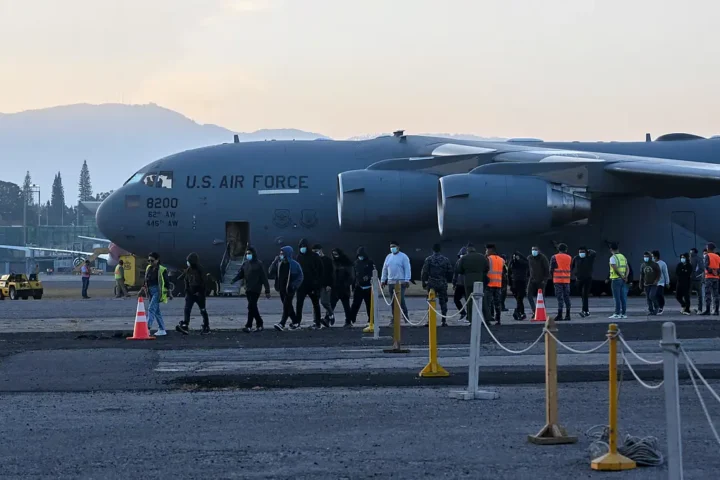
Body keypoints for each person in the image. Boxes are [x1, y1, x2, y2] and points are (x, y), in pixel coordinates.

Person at [231, 246, 271, 332]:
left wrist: (267, 290)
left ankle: (249, 325)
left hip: (256, 289)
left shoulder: (259, 264)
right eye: (246, 254)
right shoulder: (245, 264)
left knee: (251, 306)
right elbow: (241, 274)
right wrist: (234, 280)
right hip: (248, 288)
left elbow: (264, 278)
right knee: (252, 307)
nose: (247, 255)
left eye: (249, 253)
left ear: (253, 254)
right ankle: (259, 323)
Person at [176, 252, 211, 335]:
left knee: (202, 310)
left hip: (199, 293)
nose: (187, 263)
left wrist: (200, 292)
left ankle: (206, 326)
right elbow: (182, 278)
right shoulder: (188, 270)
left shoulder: (200, 270)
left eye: (188, 261)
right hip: (190, 293)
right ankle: (185, 324)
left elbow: (204, 282)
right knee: (187, 309)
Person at [271, 246, 304, 331]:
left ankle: (282, 323)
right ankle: (296, 322)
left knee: (286, 305)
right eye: (280, 253)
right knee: (289, 306)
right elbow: (270, 271)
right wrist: (274, 262)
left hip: (290, 289)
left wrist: (294, 285)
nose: (281, 255)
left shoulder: (294, 264)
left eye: (282, 253)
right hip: (281, 288)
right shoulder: (279, 263)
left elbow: (300, 276)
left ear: (287, 254)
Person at [421, 243, 454, 327]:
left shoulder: (429, 259)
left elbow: (424, 272)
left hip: (432, 282)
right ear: (440, 250)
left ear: (433, 250)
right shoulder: (445, 259)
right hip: (442, 282)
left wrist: (423, 282)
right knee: (443, 302)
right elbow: (450, 271)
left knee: (430, 301)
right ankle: (444, 321)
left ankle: (430, 320)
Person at [295, 239, 325, 328]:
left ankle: (318, 322)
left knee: (316, 304)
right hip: (301, 285)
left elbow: (321, 270)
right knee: (299, 304)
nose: (302, 248)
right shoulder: (298, 257)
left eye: (304, 246)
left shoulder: (315, 256)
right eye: (301, 247)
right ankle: (297, 322)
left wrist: (317, 283)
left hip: (313, 285)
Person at [456, 242, 489, 324]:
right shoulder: (482, 257)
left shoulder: (464, 258)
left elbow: (459, 270)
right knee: (483, 300)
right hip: (480, 281)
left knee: (470, 301)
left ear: (468, 249)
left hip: (468, 282)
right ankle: (487, 319)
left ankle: (471, 320)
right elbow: (487, 268)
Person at [381, 240, 411, 323]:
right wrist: (383, 280)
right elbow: (385, 269)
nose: (392, 248)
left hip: (400, 282)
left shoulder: (403, 257)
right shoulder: (388, 257)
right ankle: (394, 318)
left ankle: (406, 318)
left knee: (401, 301)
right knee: (392, 302)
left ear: (398, 247)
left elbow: (407, 269)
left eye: (394, 246)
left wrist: (407, 279)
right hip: (391, 282)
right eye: (391, 247)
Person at [144, 252, 170, 336]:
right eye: (149, 261)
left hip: (157, 291)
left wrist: (169, 292)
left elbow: (166, 282)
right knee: (157, 311)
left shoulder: (162, 269)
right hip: (150, 291)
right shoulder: (149, 268)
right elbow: (146, 279)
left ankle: (147, 327)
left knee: (151, 308)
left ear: (157, 260)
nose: (150, 262)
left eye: (152, 260)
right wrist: (143, 289)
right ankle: (162, 329)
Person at [349, 246, 375, 324]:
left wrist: (369, 276)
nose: (360, 257)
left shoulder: (370, 262)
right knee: (355, 304)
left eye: (362, 255)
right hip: (358, 286)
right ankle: (352, 319)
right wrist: (353, 286)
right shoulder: (356, 262)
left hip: (368, 287)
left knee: (369, 305)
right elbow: (354, 275)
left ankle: (371, 320)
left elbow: (373, 272)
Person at [330, 248, 355, 327]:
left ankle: (348, 321)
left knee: (346, 306)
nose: (335, 255)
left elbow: (351, 276)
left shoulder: (346, 263)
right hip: (335, 288)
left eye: (336, 253)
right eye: (333, 254)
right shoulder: (333, 263)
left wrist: (346, 284)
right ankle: (328, 319)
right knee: (331, 305)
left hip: (344, 288)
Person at [313, 244, 335, 325]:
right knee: (315, 303)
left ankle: (331, 314)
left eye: (316, 251)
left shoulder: (327, 260)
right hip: (316, 285)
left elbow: (331, 274)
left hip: (325, 284)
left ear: (320, 250)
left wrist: (329, 284)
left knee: (324, 302)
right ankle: (316, 321)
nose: (315, 253)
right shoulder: (314, 260)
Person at [571, 246, 596, 317]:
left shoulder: (589, 258)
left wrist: (588, 250)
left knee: (585, 295)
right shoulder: (576, 258)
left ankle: (585, 310)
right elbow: (572, 267)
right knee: (581, 294)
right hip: (579, 279)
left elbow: (594, 253)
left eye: (583, 252)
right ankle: (585, 310)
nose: (581, 253)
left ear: (586, 252)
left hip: (588, 279)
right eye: (580, 252)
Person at [550, 243, 572, 321]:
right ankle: (568, 315)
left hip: (557, 280)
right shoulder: (569, 257)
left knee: (560, 298)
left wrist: (552, 276)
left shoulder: (554, 257)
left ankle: (560, 315)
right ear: (566, 250)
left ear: (558, 249)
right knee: (567, 297)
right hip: (566, 280)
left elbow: (551, 268)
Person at [485, 244, 505, 325]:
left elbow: (485, 269)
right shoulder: (501, 260)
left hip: (489, 284)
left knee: (488, 303)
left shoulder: (488, 259)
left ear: (491, 250)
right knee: (497, 303)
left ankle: (488, 319)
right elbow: (504, 272)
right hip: (498, 284)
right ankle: (498, 319)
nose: (486, 251)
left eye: (486, 250)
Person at [527, 246, 550, 316]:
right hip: (532, 279)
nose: (534, 251)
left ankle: (542, 311)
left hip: (541, 280)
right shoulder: (529, 258)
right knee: (528, 294)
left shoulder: (543, 258)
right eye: (532, 250)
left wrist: (545, 280)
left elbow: (547, 269)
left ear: (538, 250)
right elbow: (528, 268)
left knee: (541, 296)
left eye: (535, 250)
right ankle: (534, 310)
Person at [608, 243, 629, 319]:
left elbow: (615, 268)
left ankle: (617, 313)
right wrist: (625, 276)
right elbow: (627, 268)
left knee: (616, 297)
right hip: (623, 280)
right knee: (623, 297)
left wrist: (622, 276)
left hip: (616, 279)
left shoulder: (613, 258)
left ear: (611, 249)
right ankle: (623, 313)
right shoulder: (623, 257)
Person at [700, 243, 720, 316]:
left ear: (708, 248)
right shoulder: (718, 256)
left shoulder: (707, 256)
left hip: (708, 277)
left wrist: (711, 271)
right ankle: (717, 310)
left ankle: (708, 310)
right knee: (716, 294)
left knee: (707, 294)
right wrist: (716, 272)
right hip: (716, 277)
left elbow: (706, 266)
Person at [509, 251, 529, 320]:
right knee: (519, 299)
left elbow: (526, 264)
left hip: (520, 281)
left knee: (519, 298)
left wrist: (518, 259)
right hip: (516, 282)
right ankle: (520, 312)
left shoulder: (522, 263)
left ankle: (519, 312)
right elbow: (509, 272)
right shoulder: (513, 263)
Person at [652, 250, 670, 315]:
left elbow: (666, 273)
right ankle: (656, 307)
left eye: (652, 256)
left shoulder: (662, 264)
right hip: (653, 283)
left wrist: (667, 282)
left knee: (659, 294)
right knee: (653, 296)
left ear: (656, 256)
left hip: (660, 283)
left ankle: (661, 307)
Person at [690, 247, 705, 313]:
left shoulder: (698, 259)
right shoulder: (689, 259)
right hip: (691, 279)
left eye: (692, 252)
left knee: (699, 295)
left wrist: (695, 275)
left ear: (695, 252)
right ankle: (687, 308)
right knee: (688, 294)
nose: (690, 253)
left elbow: (701, 269)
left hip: (697, 280)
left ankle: (699, 309)